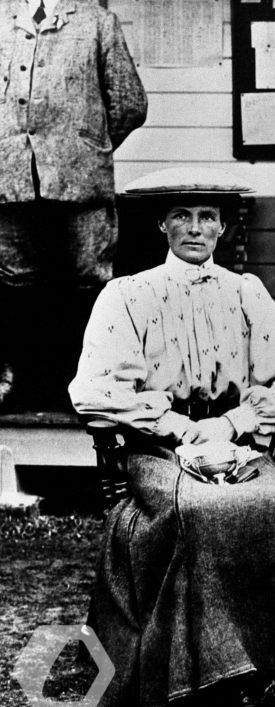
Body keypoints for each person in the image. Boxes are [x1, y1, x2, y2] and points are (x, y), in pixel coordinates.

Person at [69, 168, 275, 707]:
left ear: (222, 227)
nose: (195, 227)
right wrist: (172, 424)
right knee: (202, 508)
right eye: (182, 216)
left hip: (234, 444)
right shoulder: (128, 295)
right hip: (155, 450)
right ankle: (235, 681)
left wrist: (237, 420)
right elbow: (91, 389)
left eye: (207, 217)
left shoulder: (246, 293)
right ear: (162, 224)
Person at [0, 0, 147, 409]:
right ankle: (23, 388)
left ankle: (89, 386)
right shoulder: (1, 20)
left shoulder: (98, 23)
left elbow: (129, 103)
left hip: (81, 183)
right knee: (14, 280)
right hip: (9, 180)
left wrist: (86, 148)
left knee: (88, 279)